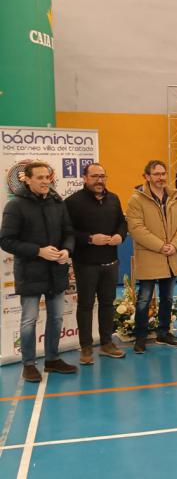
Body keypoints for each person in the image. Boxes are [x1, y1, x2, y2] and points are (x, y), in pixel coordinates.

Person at [0, 162, 77, 382]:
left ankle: (52, 359)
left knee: (56, 318)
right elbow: (6, 241)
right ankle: (29, 364)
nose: (45, 181)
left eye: (48, 177)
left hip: (56, 272)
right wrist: (38, 251)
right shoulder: (15, 206)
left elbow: (69, 232)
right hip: (30, 273)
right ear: (28, 179)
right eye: (40, 178)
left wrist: (66, 250)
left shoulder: (57, 202)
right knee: (29, 321)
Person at [65, 163, 127, 364]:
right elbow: (66, 232)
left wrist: (120, 235)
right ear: (84, 178)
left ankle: (107, 343)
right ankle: (86, 347)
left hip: (110, 262)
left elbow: (122, 222)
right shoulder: (73, 202)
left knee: (108, 304)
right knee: (85, 305)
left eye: (102, 176)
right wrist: (90, 239)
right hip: (86, 264)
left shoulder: (114, 198)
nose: (99, 180)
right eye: (94, 176)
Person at [126, 160, 177, 353]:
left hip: (171, 257)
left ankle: (163, 333)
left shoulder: (175, 197)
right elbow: (137, 229)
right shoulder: (135, 200)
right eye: (156, 174)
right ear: (146, 176)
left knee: (167, 298)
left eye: (163, 173)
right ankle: (141, 337)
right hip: (150, 257)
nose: (161, 177)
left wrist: (175, 245)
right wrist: (162, 246)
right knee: (144, 299)